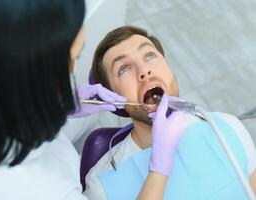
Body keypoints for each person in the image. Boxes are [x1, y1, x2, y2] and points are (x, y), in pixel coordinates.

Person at [0, 1, 184, 200]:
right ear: (31, 81)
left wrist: (66, 109)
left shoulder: (219, 124)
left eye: (150, 55)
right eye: (73, 61)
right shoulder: (45, 192)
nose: (144, 71)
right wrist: (160, 169)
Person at [84, 26, 256, 199]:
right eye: (124, 69)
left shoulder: (227, 128)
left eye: (150, 56)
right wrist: (160, 162)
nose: (144, 71)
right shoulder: (101, 184)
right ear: (113, 97)